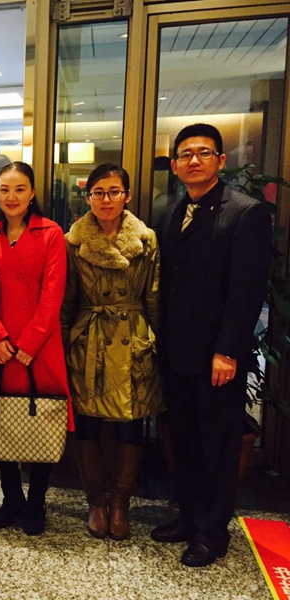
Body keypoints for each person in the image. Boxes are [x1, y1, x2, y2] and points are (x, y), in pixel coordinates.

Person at [151, 123, 272, 567]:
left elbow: (247, 292)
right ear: (175, 165)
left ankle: (212, 532)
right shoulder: (170, 213)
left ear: (221, 161)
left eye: (204, 152)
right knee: (183, 438)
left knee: (218, 446)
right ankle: (187, 517)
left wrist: (228, 351)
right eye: (186, 154)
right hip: (176, 352)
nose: (194, 160)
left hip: (217, 357)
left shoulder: (245, 213)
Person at [61, 163, 161, 542]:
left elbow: (153, 296)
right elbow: (68, 301)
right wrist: (63, 343)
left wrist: (156, 341)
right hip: (89, 339)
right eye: (98, 192)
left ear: (127, 196)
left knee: (130, 424)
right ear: (88, 197)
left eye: (114, 191)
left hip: (133, 337)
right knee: (87, 423)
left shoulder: (146, 241)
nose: (106, 199)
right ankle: (96, 503)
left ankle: (120, 503)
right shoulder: (73, 242)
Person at [0, 162, 73, 535]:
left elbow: (53, 293)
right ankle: (11, 498)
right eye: (4, 189)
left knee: (42, 420)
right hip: (2, 347)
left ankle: (36, 502)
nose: (12, 197)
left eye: (20, 189)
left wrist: (30, 341)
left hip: (40, 346)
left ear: (32, 193)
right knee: (4, 420)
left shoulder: (51, 233)